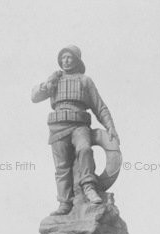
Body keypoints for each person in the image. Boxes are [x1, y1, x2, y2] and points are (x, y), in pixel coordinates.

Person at [31, 45, 119, 215]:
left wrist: (110, 127)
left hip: (79, 126)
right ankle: (64, 202)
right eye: (63, 57)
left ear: (77, 60)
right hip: (58, 128)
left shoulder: (85, 80)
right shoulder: (54, 81)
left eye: (70, 57)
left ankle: (89, 188)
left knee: (84, 149)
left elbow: (99, 107)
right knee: (62, 166)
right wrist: (47, 84)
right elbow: (34, 97)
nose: (66, 60)